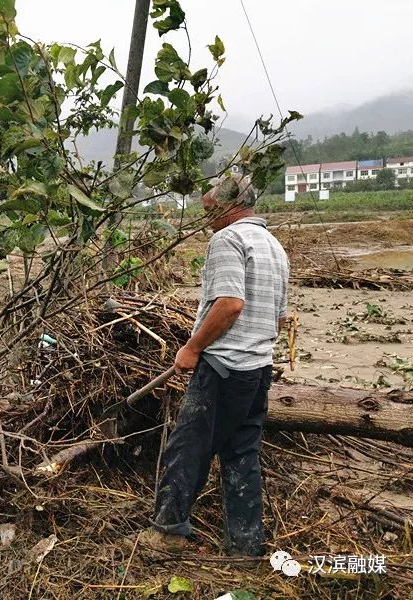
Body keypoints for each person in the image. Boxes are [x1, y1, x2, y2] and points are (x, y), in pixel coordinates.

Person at [143, 174, 289, 557]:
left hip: (224, 367)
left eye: (209, 211)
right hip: (258, 372)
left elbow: (230, 303)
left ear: (229, 206)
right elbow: (277, 321)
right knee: (242, 453)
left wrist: (192, 348)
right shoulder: (275, 247)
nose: (206, 219)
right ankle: (245, 547)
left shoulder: (228, 238)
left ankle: (167, 535)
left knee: (188, 446)